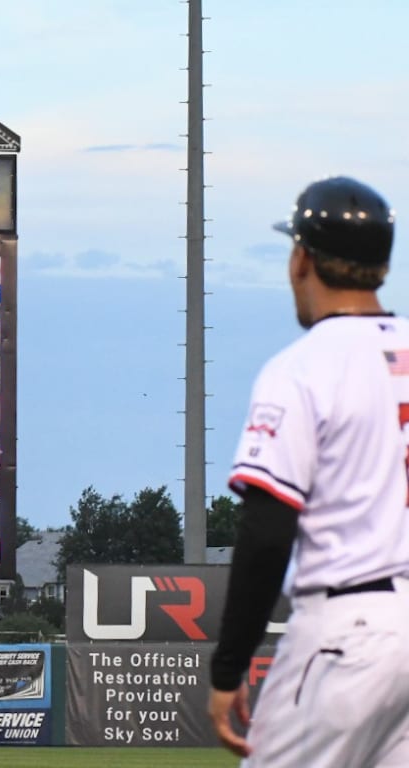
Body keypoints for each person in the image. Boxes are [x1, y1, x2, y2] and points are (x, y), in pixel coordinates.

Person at [208, 176, 409, 765]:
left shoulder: (302, 368)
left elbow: (268, 531)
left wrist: (228, 667)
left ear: (301, 258)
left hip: (346, 632)